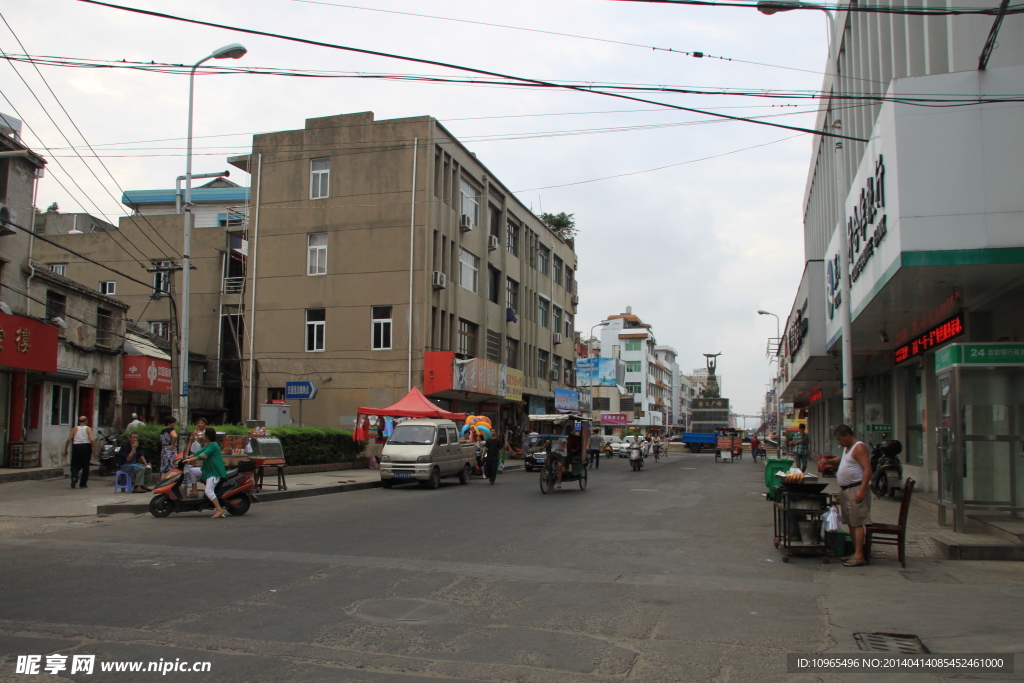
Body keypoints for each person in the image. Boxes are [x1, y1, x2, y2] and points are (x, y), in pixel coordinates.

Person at [819, 425, 873, 567]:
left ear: (848, 435)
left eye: (840, 439)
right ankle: (855, 552)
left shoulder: (859, 447)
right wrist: (828, 461)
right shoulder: (847, 448)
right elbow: (842, 461)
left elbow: (868, 469)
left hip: (856, 489)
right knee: (850, 523)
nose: (839, 443)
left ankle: (860, 555)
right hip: (846, 491)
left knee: (857, 522)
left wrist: (862, 490)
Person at [188, 427, 229, 518]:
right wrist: (188, 457)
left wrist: (191, 459)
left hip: (214, 472)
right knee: (192, 471)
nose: (202, 436)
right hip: (207, 470)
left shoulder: (213, 446)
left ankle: (219, 509)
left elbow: (203, 455)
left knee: (208, 491)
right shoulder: (209, 445)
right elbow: (199, 452)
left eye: (204, 435)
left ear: (207, 436)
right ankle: (194, 491)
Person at [65, 416, 96, 489]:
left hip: (76, 447)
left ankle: (74, 477)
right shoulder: (88, 428)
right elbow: (92, 439)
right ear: (86, 421)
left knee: (74, 464)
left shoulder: (75, 428)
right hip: (86, 447)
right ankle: (83, 483)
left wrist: (65, 449)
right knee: (85, 465)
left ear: (79, 422)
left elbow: (69, 439)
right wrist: (95, 449)